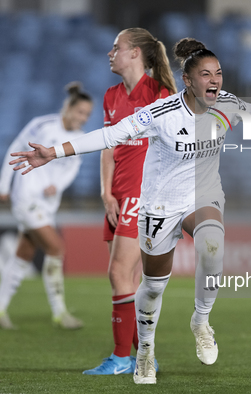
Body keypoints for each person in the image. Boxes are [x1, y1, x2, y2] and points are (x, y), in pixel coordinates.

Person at [9, 38, 251, 384]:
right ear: (188, 81)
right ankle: (144, 351)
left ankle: (201, 321)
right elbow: (108, 136)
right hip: (160, 205)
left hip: (201, 197)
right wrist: (53, 152)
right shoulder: (161, 114)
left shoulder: (227, 104)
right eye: (206, 74)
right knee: (154, 286)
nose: (215, 79)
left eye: (218, 73)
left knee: (213, 248)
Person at [83, 28, 177, 376]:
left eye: (117, 48)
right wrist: (107, 193)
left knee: (119, 273)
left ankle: (123, 357)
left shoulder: (161, 94)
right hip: (119, 195)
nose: (111, 53)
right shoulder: (111, 96)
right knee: (129, 280)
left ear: (136, 53)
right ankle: (144, 357)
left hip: (145, 195)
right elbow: (108, 148)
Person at [0, 82, 93, 330]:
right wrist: (3, 185)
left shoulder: (78, 139)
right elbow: (15, 148)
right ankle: (60, 312)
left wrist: (57, 185)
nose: (83, 118)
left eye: (87, 114)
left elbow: (73, 168)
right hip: (26, 196)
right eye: (80, 112)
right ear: (68, 108)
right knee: (56, 248)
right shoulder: (42, 124)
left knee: (24, 253)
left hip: (48, 203)